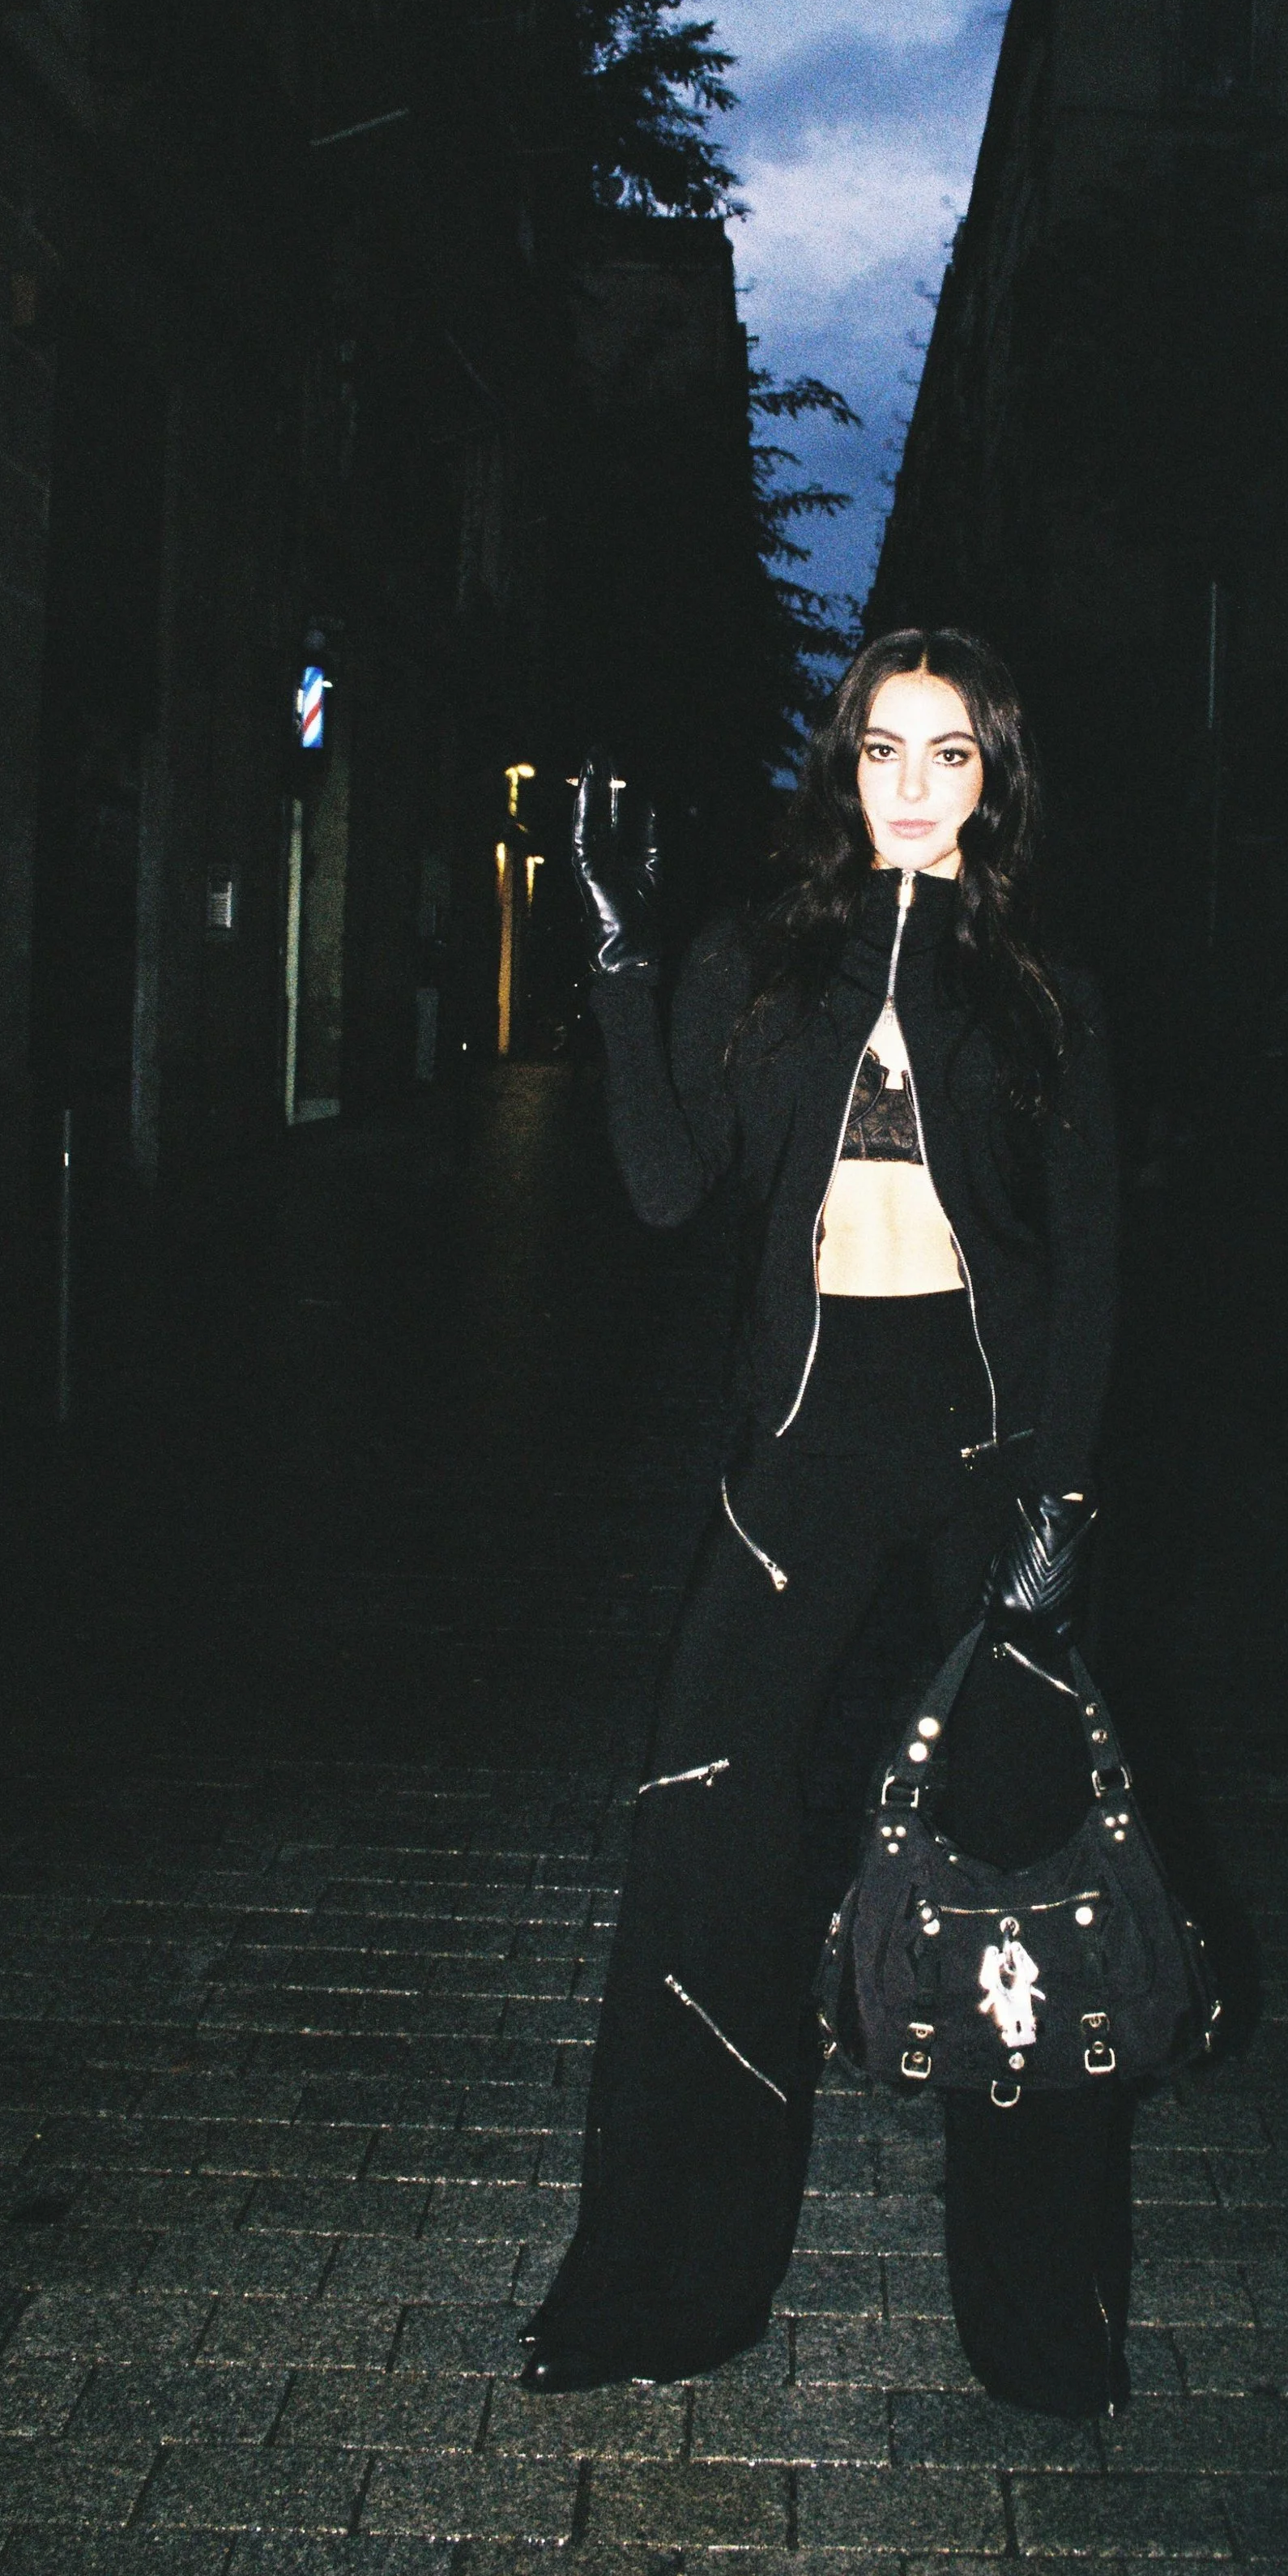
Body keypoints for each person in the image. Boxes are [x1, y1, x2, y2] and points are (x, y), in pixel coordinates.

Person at [522, 627, 1128, 2414]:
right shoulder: (760, 961)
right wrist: (628, 958)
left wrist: (1059, 1519)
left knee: (1019, 1896)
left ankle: (1043, 2326)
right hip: (794, 1468)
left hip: (979, 1475)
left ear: (994, 778)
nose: (917, 787)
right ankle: (654, 2281)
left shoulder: (1040, 990)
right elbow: (659, 1186)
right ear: (841, 766)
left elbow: (1090, 1271)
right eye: (886, 750)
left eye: (953, 756)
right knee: (703, 1838)